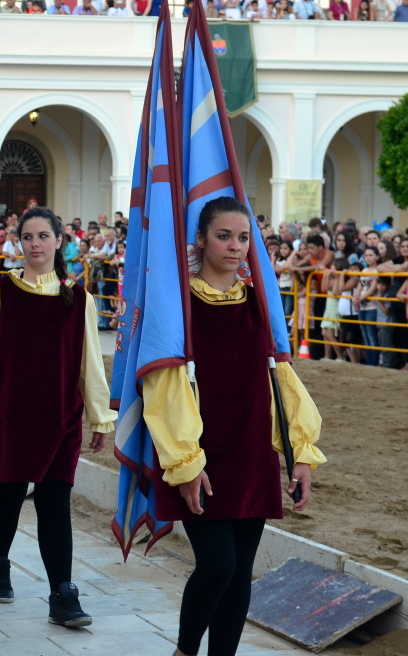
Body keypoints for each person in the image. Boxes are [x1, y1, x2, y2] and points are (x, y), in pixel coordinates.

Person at [143, 197, 325, 656]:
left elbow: (281, 378)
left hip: (251, 454)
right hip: (202, 456)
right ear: (200, 239)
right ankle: (185, 651)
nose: (235, 246)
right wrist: (185, 463)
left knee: (241, 571)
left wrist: (300, 453)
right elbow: (164, 388)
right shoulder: (179, 305)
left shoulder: (258, 303)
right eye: (224, 235)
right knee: (218, 566)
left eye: (243, 237)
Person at [0, 207, 115, 626]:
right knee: (7, 493)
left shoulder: (81, 298)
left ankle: (63, 593)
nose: (36, 244)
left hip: (60, 415)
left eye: (44, 236)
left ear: (60, 240)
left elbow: (89, 363)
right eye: (28, 237)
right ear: (18, 243)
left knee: (55, 502)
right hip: (9, 411)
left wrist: (99, 416)